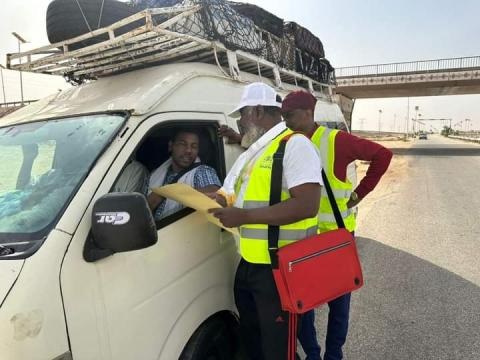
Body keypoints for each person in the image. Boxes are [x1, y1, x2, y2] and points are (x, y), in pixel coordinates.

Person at [209, 82, 323, 360]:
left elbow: (308, 204)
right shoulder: (252, 151)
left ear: (257, 110)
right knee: (252, 339)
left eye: (242, 115)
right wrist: (217, 200)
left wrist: (245, 216)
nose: (240, 122)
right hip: (250, 264)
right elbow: (230, 192)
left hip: (279, 268)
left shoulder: (295, 145)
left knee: (278, 348)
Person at [281, 90, 393, 360]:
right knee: (302, 305)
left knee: (338, 304)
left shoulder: (336, 141)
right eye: (283, 117)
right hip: (302, 240)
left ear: (309, 113)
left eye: (291, 116)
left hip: (334, 240)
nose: (286, 122)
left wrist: (359, 194)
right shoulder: (285, 141)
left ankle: (333, 355)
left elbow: (383, 155)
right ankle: (313, 354)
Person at [147, 129, 221, 220]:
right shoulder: (155, 173)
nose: (189, 150)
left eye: (194, 146)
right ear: (171, 146)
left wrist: (167, 192)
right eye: (182, 144)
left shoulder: (202, 171)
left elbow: (215, 193)